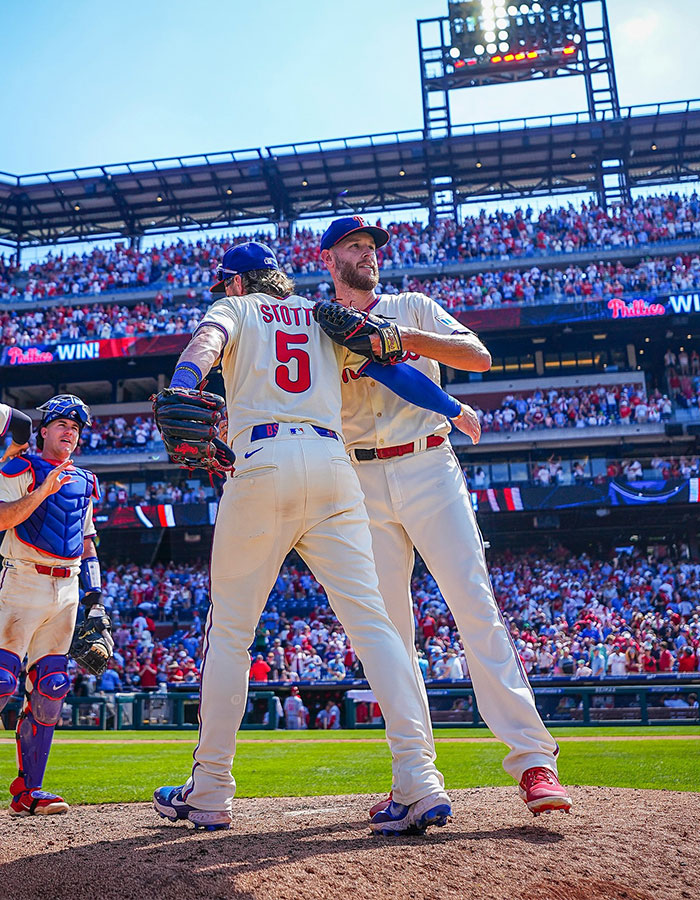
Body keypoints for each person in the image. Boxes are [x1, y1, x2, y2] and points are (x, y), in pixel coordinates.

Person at [152, 241, 475, 834]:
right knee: (375, 625)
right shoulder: (324, 314)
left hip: (262, 463)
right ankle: (419, 778)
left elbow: (204, 344)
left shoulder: (237, 308)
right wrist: (450, 406)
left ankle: (211, 791)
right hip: (334, 468)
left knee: (230, 634)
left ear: (235, 283)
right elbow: (391, 370)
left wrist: (183, 384)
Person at [320, 216, 572, 817]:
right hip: (357, 478)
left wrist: (399, 337)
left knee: (475, 606)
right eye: (354, 246)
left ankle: (535, 762)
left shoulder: (413, 306)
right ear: (328, 258)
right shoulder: (315, 325)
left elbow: (478, 356)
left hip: (430, 464)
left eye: (372, 246)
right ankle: (414, 776)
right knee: (389, 636)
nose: (367, 254)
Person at [0, 394, 111, 817]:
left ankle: (30, 790)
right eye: (62, 424)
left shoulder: (84, 481)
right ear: (43, 430)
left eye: (76, 428)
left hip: (66, 589)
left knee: (51, 688)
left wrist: (96, 601)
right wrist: (45, 489)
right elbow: (2, 518)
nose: (70, 432)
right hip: (22, 578)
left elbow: (87, 543)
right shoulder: (20, 467)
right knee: (2, 681)